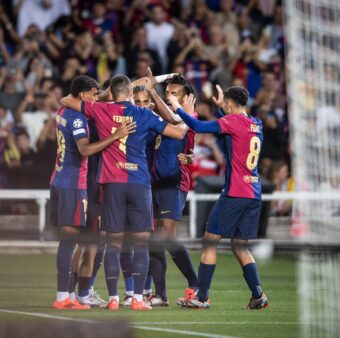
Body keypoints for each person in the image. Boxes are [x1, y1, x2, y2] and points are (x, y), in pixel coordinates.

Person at [60, 74, 187, 311]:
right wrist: (182, 111)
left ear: (113, 92)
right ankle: (137, 298)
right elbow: (179, 132)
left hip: (112, 183)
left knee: (113, 242)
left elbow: (66, 100)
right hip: (139, 184)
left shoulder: (100, 109)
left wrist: (101, 96)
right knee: (140, 242)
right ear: (130, 94)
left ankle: (113, 300)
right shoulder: (144, 113)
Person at [168, 86, 268, 310]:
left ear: (230, 105)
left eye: (226, 106)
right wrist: (222, 108)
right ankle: (258, 295)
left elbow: (198, 126)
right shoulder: (256, 123)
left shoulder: (232, 122)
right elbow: (236, 127)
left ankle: (201, 297)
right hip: (254, 193)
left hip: (235, 193)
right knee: (240, 246)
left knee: (210, 241)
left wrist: (177, 108)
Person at [51, 75, 135, 310]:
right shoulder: (78, 118)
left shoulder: (63, 110)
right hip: (73, 183)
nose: (96, 97)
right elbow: (85, 149)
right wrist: (114, 136)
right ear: (83, 94)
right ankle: (63, 297)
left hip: (59, 179)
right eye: (93, 93)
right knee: (70, 242)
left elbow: (75, 98)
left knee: (72, 241)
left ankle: (68, 294)